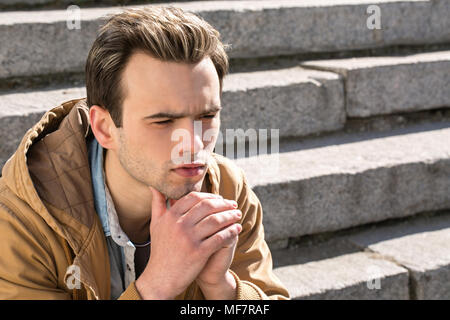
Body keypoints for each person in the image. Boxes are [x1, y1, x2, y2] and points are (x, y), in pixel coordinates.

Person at [0, 6, 290, 300]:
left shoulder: (227, 189)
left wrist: (224, 289)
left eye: (206, 117)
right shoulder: (23, 220)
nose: (192, 144)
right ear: (104, 127)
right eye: (163, 121)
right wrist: (156, 286)